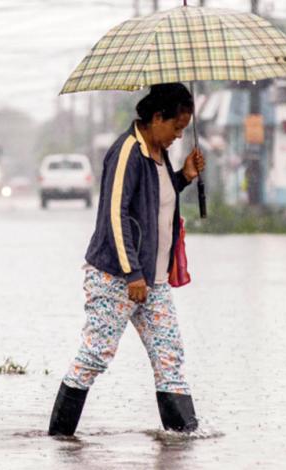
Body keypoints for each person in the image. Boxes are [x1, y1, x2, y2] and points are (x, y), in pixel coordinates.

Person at [48, 83, 206, 436]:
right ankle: (59, 440)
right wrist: (132, 273)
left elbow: (154, 203)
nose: (179, 136)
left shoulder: (160, 155)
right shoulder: (127, 152)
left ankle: (183, 441)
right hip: (115, 277)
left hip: (154, 281)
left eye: (184, 129)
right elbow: (115, 215)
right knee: (95, 356)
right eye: (176, 127)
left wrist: (183, 176)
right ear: (156, 117)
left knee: (170, 359)